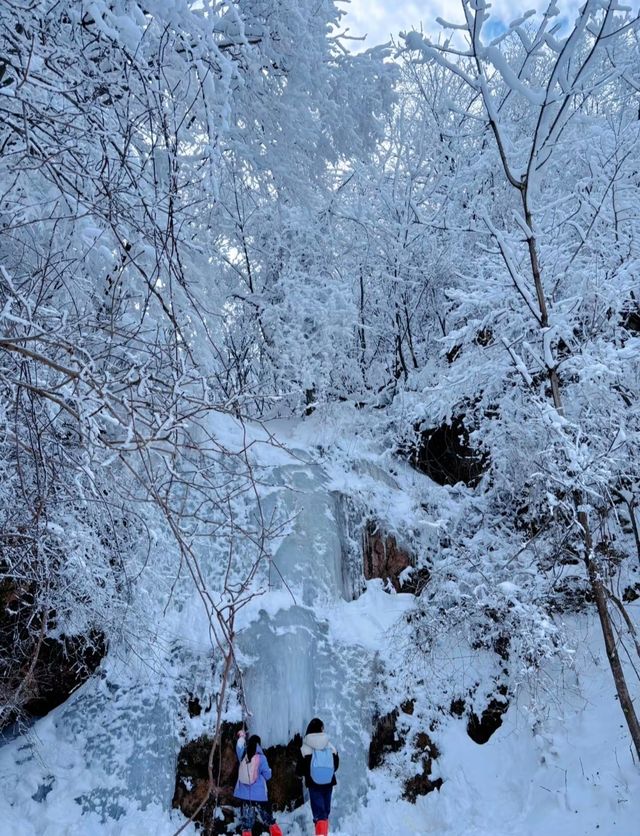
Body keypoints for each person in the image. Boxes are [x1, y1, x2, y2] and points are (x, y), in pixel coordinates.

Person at [233, 730, 282, 836]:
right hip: (259, 795)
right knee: (269, 819)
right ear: (259, 744)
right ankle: (277, 834)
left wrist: (241, 736)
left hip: (245, 795)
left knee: (246, 823)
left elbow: (239, 746)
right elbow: (268, 776)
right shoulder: (262, 757)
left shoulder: (243, 754)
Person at [296, 718, 339, 836]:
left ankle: (320, 834)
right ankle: (323, 833)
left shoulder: (305, 748)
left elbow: (300, 769)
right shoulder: (330, 745)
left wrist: (301, 775)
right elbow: (336, 765)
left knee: (318, 813)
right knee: (325, 812)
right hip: (328, 782)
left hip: (313, 784)